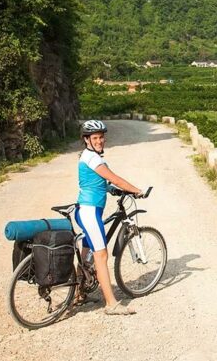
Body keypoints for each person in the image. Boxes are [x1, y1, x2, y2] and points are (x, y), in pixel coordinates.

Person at [76, 119, 142, 315]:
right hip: (89, 211)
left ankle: (80, 293)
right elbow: (113, 177)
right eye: (95, 138)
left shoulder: (88, 157)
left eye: (101, 137)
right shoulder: (93, 158)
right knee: (101, 255)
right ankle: (111, 304)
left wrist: (111, 190)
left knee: (87, 251)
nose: (99, 141)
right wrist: (136, 190)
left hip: (87, 210)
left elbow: (98, 182)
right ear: (86, 139)